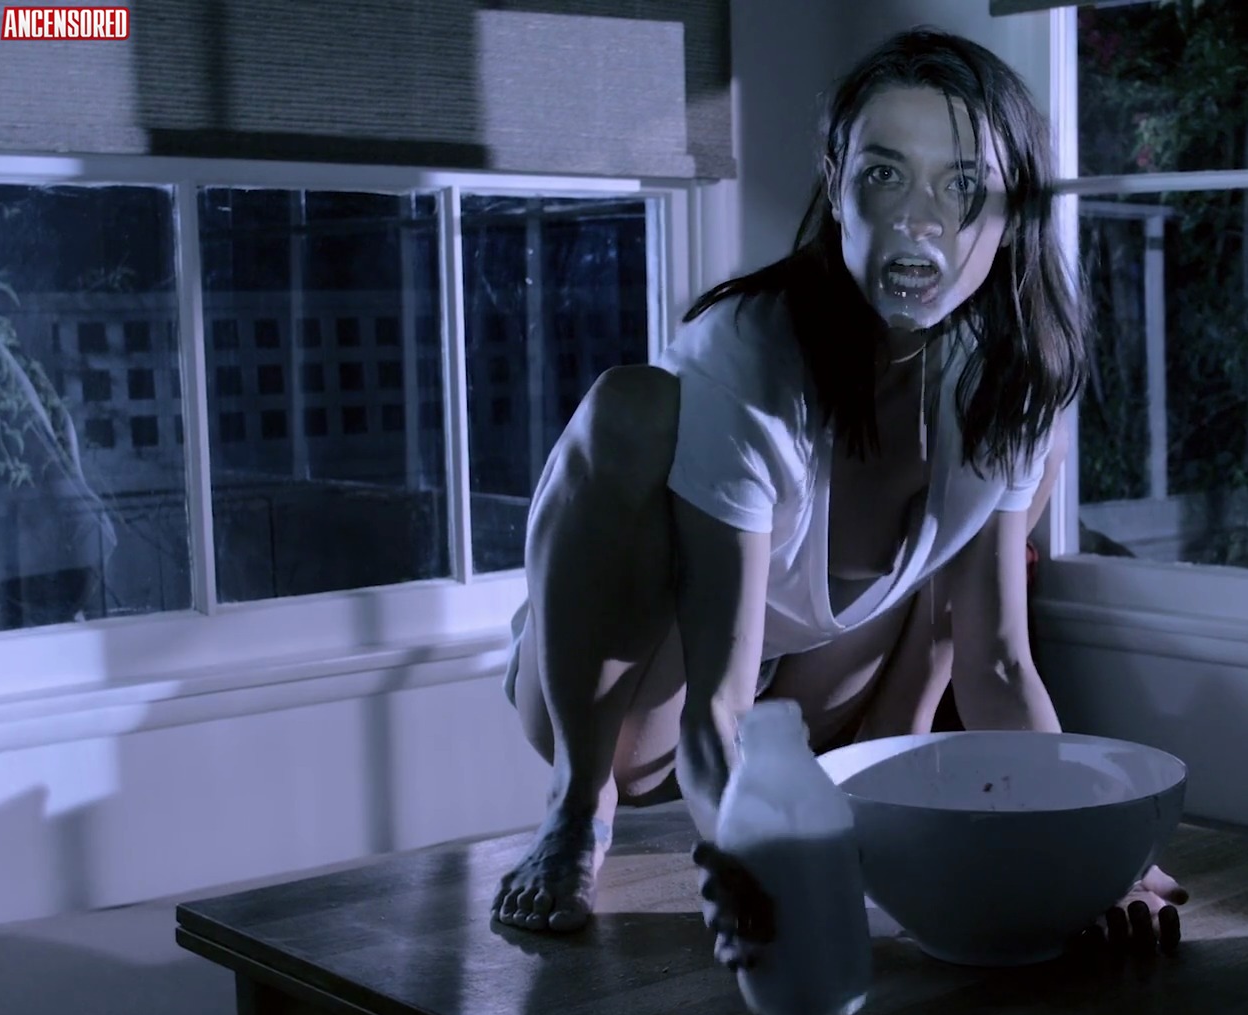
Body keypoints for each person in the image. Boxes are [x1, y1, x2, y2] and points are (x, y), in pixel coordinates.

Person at [489, 27, 1187, 957]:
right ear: (837, 183)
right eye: (885, 175)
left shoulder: (1006, 379)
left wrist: (1092, 858)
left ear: (1012, 207)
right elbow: (714, 709)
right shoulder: (751, 355)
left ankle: (881, 808)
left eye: (962, 185)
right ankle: (576, 808)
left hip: (807, 697)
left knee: (1020, 449)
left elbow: (998, 664)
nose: (919, 221)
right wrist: (756, 856)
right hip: (630, 699)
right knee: (632, 404)